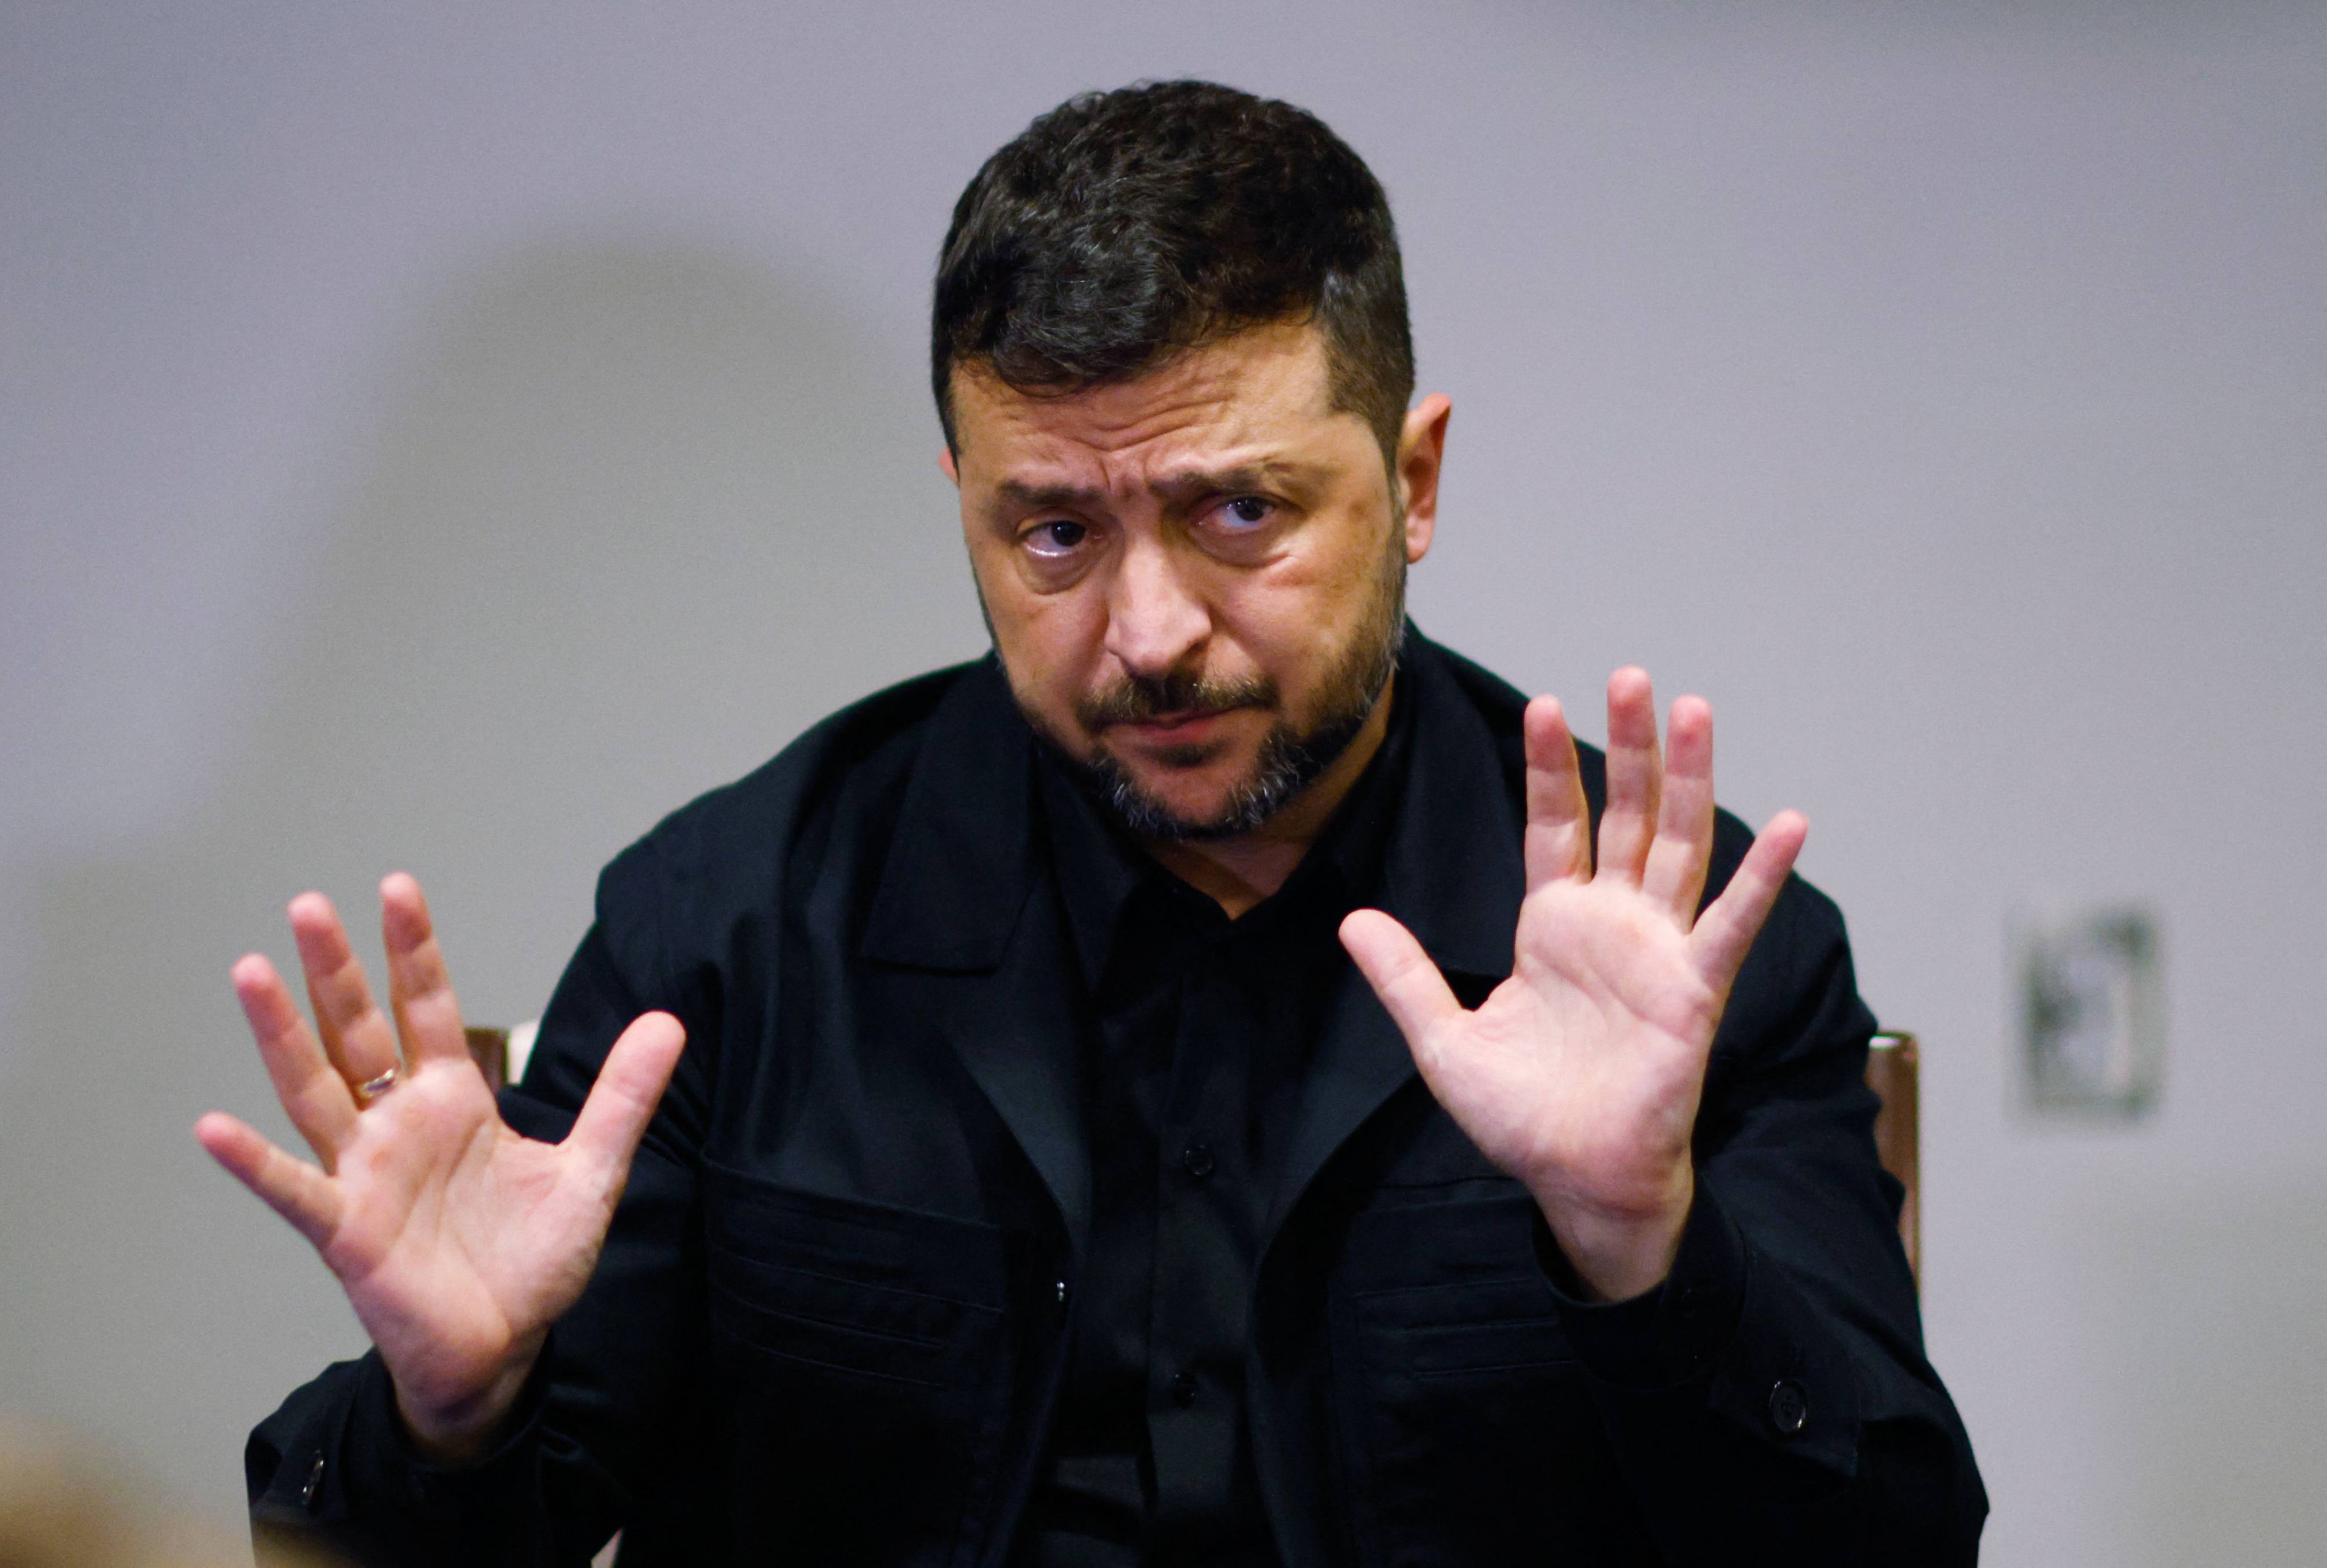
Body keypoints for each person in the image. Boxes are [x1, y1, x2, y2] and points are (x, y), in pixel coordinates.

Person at [202, 80, 1984, 1566]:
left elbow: (1894, 1539)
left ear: (1416, 480)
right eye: (1054, 532)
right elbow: (377, 1539)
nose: (1149, 635)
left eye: (1238, 514)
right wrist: (453, 1405)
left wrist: (1644, 1249)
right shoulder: (735, 929)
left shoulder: (1675, 953)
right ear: (965, 500)